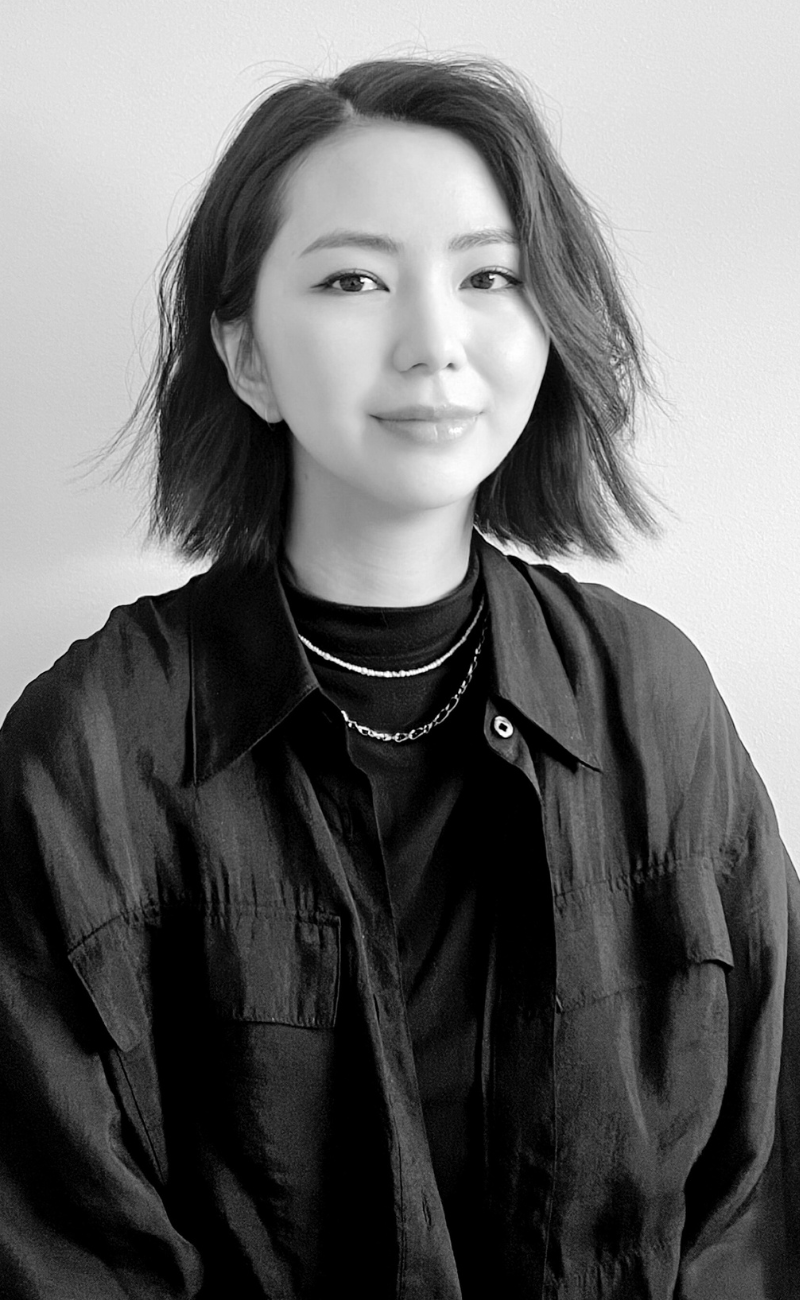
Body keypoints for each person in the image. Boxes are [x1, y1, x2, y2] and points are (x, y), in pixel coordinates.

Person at [0, 55, 797, 1300]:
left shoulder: (657, 701)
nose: (434, 342)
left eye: (489, 276)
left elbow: (757, 1195)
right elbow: (58, 1244)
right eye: (354, 279)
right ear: (245, 354)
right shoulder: (90, 751)